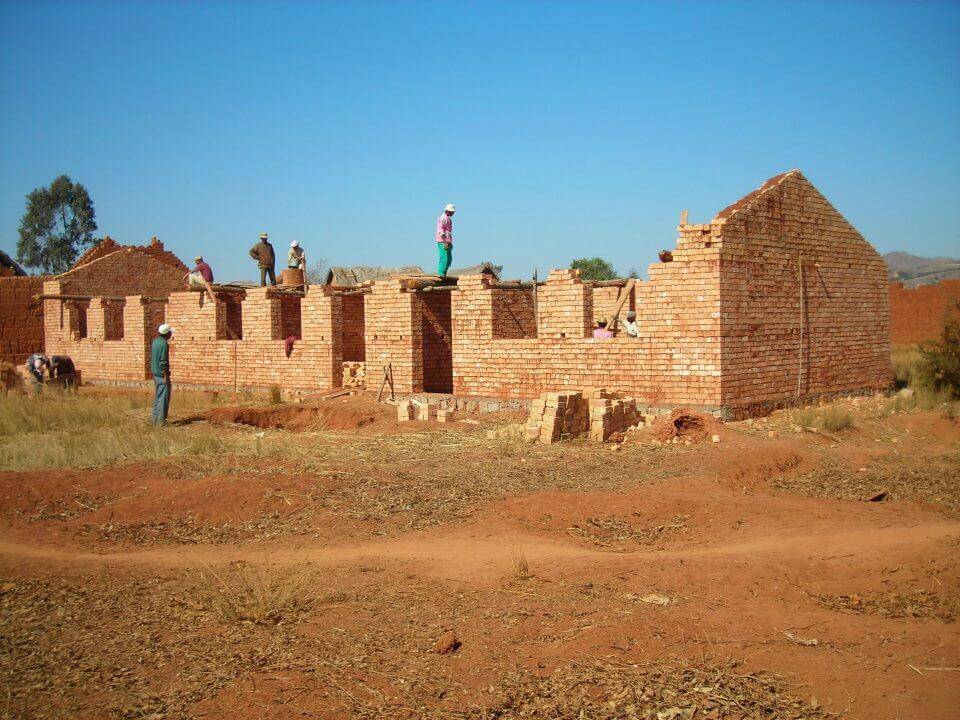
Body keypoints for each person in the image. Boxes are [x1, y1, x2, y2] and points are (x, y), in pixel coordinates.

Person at [150, 324, 173, 426]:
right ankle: (161, 421)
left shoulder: (155, 342)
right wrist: (165, 375)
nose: (171, 334)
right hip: (161, 374)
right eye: (170, 332)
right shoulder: (164, 344)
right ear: (166, 333)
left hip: (155, 373)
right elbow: (163, 361)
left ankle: (154, 419)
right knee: (163, 397)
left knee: (158, 397)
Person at [435, 203, 455, 277]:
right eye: (452, 212)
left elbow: (448, 232)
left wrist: (449, 242)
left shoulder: (448, 219)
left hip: (448, 241)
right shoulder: (443, 218)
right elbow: (440, 230)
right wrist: (444, 242)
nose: (453, 213)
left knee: (449, 259)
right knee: (444, 258)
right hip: (442, 241)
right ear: (448, 211)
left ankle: (444, 273)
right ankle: (441, 273)